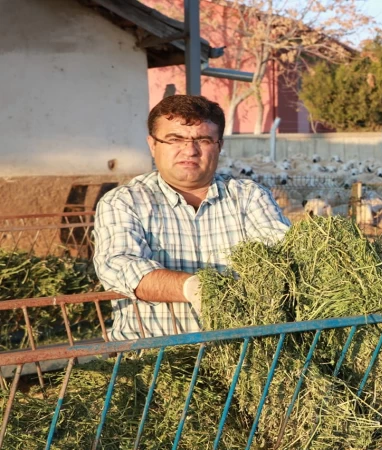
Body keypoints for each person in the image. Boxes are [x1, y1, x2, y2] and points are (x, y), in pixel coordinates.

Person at [92, 95, 290, 341]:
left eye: (203, 140)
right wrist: (191, 287)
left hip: (242, 353)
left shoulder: (248, 196)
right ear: (153, 145)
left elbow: (281, 257)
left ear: (219, 145)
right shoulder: (125, 201)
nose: (190, 150)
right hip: (152, 360)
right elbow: (119, 265)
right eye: (175, 139)